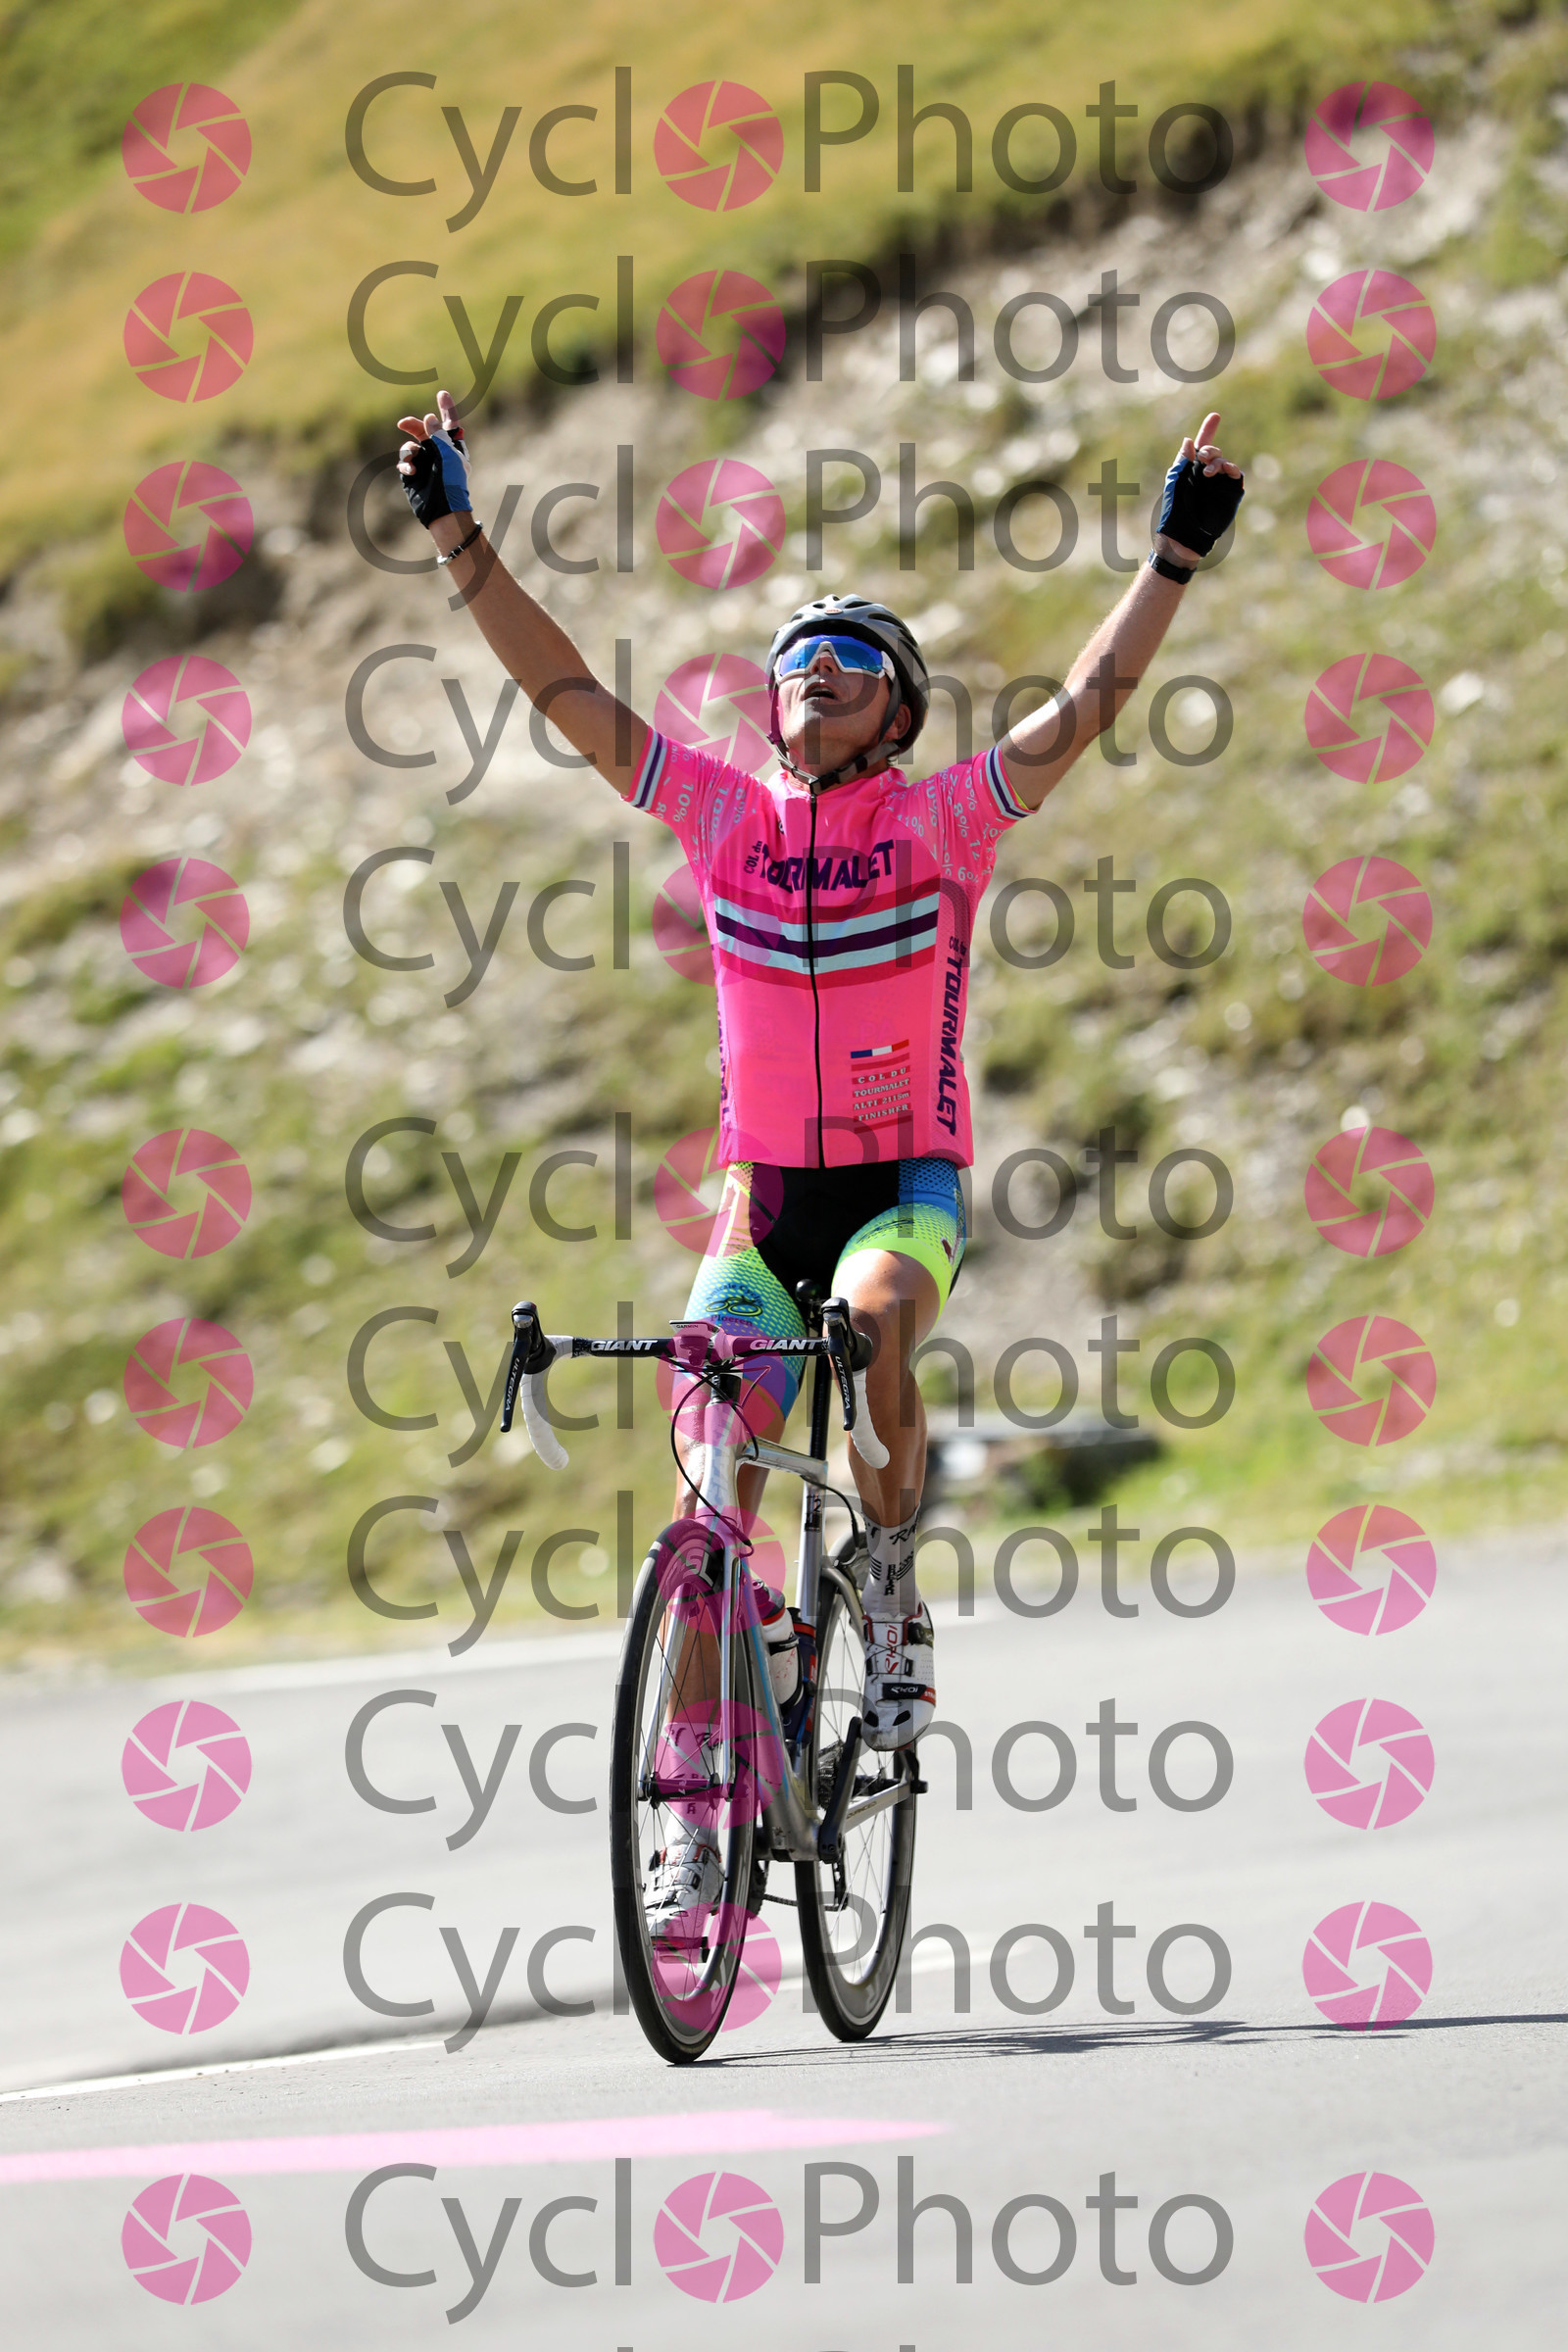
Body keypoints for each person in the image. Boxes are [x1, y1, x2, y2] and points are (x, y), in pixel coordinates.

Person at [396, 392, 1244, 1796]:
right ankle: (702, 1802)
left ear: (899, 712)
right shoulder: (721, 814)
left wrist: (1172, 559)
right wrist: (455, 535)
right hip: (765, 1202)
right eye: (797, 657)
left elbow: (1085, 708)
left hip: (903, 1190)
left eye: (855, 657)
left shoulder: (944, 817)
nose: (818, 669)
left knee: (873, 1323)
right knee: (704, 1496)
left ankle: (890, 1580)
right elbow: (565, 695)